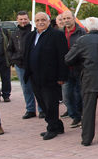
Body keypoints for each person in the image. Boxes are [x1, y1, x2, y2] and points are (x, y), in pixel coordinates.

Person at [65, 17, 98, 146]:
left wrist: (81, 62)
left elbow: (68, 59)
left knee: (89, 110)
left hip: (89, 78)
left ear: (86, 28)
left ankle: (87, 138)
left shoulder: (82, 40)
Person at [24, 12, 69, 140]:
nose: (40, 22)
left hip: (51, 77)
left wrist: (62, 76)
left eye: (43, 19)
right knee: (42, 103)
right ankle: (58, 125)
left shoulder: (56, 35)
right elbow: (27, 54)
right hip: (34, 76)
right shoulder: (31, 35)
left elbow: (63, 56)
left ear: (49, 21)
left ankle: (52, 128)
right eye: (37, 20)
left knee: (51, 104)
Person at [8, 11, 38, 118]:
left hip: (35, 64)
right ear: (17, 20)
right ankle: (30, 109)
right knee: (26, 88)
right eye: (20, 19)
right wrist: (12, 59)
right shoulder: (14, 33)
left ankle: (42, 109)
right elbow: (9, 49)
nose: (23, 21)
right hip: (20, 65)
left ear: (29, 19)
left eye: (25, 19)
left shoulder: (35, 31)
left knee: (38, 87)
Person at [61, 10, 86, 129]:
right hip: (65, 70)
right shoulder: (60, 33)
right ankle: (75, 116)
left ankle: (84, 117)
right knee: (66, 96)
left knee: (82, 94)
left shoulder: (82, 32)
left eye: (68, 18)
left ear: (73, 18)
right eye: (64, 18)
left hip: (79, 68)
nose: (66, 20)